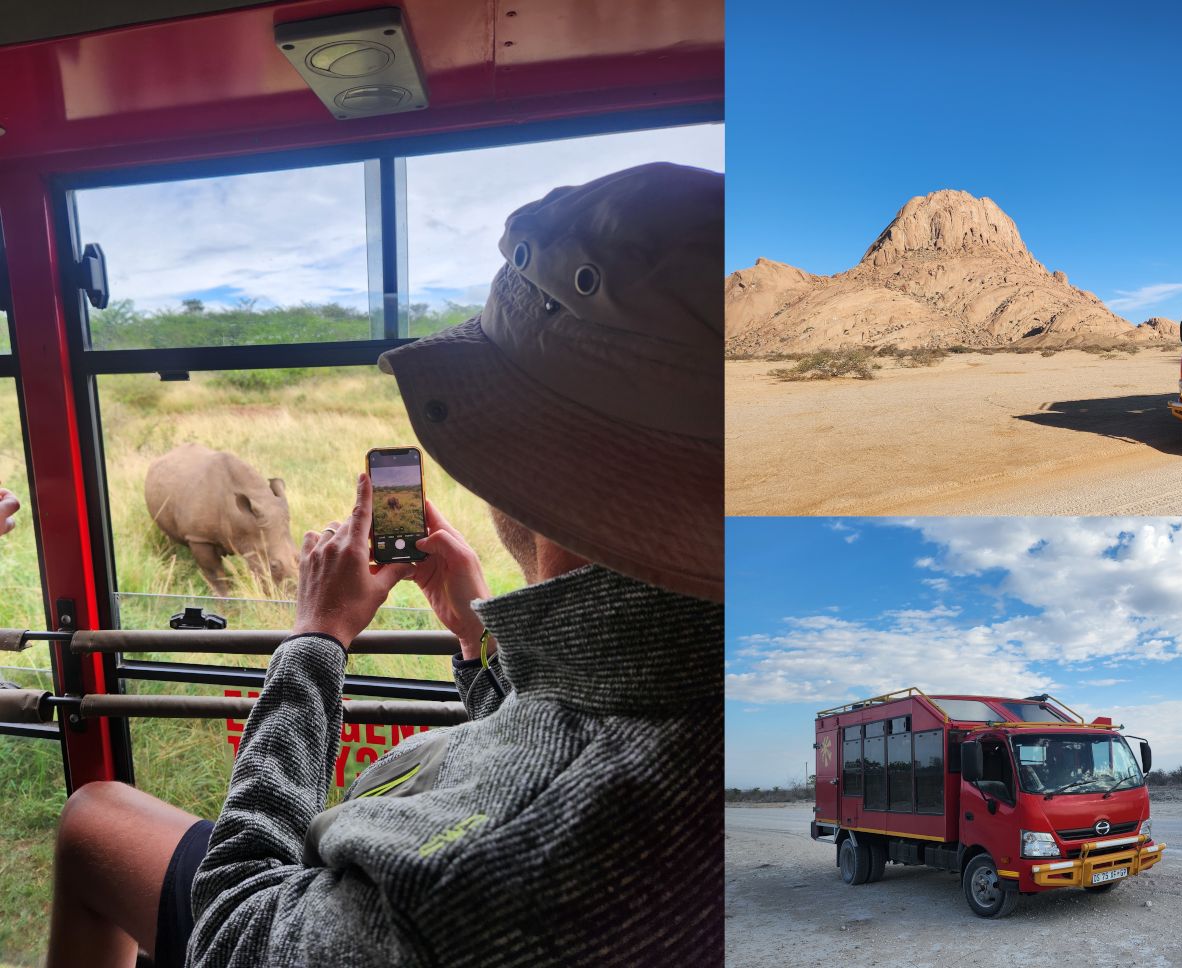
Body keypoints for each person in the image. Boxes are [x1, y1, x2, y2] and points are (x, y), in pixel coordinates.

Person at [45, 162, 723, 968]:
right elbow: (552, 732)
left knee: (91, 816)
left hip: (327, 910)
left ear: (537, 460)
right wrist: (480, 641)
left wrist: (316, 637)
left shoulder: (470, 883)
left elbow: (231, 934)